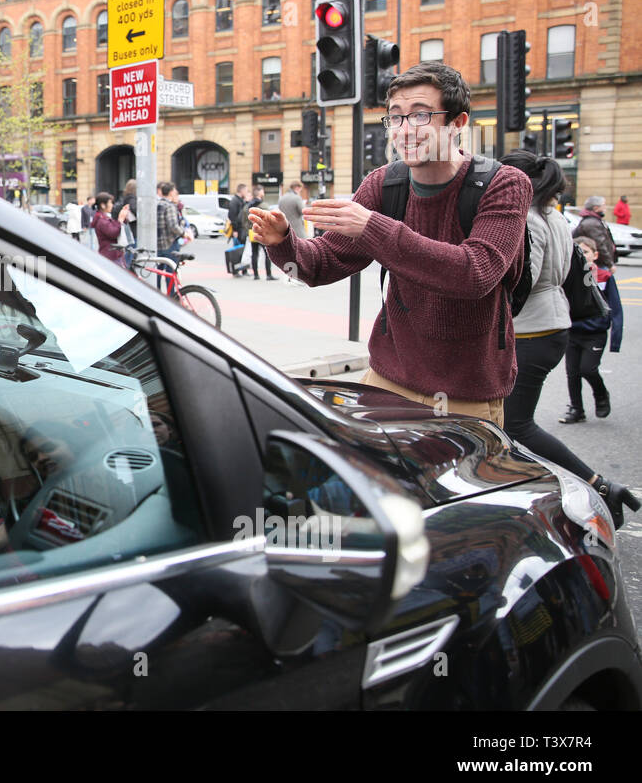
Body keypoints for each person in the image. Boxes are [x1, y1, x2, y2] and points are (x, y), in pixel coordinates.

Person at [248, 61, 531, 425]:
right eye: (395, 117)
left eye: (420, 116)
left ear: (458, 123)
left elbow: (475, 273)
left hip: (467, 392)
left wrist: (371, 226)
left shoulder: (504, 184)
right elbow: (322, 263)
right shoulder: (384, 184)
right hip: (386, 379)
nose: (405, 130)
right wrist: (284, 242)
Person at [499, 151, 619, 497]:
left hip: (532, 330)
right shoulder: (554, 216)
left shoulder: (528, 218)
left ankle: (597, 485)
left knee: (515, 423)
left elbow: (524, 280)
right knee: (503, 422)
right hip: (551, 326)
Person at [561, 237, 624, 424]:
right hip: (572, 332)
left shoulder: (604, 277)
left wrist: (616, 339)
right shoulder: (569, 276)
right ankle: (576, 409)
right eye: (578, 252)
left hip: (594, 334)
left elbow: (616, 308)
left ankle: (601, 394)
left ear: (595, 255)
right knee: (572, 373)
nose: (582, 255)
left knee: (588, 369)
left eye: (586, 252)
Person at [573, 196, 617, 269]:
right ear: (596, 208)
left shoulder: (594, 221)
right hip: (598, 263)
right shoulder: (592, 223)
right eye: (603, 205)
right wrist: (610, 264)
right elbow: (600, 245)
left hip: (598, 262)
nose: (605, 208)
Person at [90, 192, 130, 267]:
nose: (112, 205)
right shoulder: (101, 220)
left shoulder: (104, 217)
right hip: (110, 256)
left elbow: (115, 226)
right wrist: (120, 220)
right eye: (110, 203)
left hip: (112, 254)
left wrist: (122, 218)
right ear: (103, 205)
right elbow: (113, 233)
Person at [248, 184, 276, 280]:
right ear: (259, 192)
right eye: (263, 191)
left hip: (252, 232)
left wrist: (248, 227)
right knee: (267, 253)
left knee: (254, 253)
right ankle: (268, 274)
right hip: (263, 232)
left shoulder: (248, 205)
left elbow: (243, 218)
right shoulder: (263, 205)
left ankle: (256, 275)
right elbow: (270, 219)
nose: (263, 193)